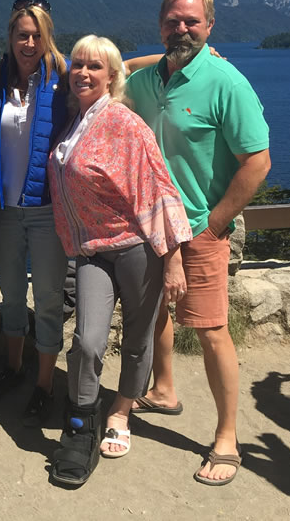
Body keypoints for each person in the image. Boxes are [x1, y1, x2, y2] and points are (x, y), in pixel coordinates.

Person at [126, 0, 270, 486]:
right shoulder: (146, 80)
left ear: (210, 27)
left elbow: (258, 161)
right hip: (152, 224)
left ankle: (227, 437)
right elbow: (111, 66)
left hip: (200, 228)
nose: (181, 29)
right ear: (160, 24)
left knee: (210, 331)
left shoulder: (226, 81)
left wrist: (214, 221)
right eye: (172, 21)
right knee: (155, 313)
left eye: (192, 22)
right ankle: (164, 389)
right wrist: (175, 51)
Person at [46, 35, 192, 486]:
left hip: (136, 249)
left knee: (137, 337)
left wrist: (172, 260)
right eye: (78, 65)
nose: (84, 73)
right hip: (92, 251)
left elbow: (161, 189)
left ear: (112, 76)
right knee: (87, 341)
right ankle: (82, 421)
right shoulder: (76, 118)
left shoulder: (124, 123)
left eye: (95, 67)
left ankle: (121, 413)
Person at [0, 0, 69, 426]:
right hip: (5, 210)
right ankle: (14, 368)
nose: (30, 42)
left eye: (37, 35)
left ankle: (44, 383)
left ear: (47, 37)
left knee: (50, 299)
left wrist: (171, 58)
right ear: (11, 37)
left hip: (45, 209)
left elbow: (118, 67)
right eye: (23, 34)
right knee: (13, 295)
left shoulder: (64, 75)